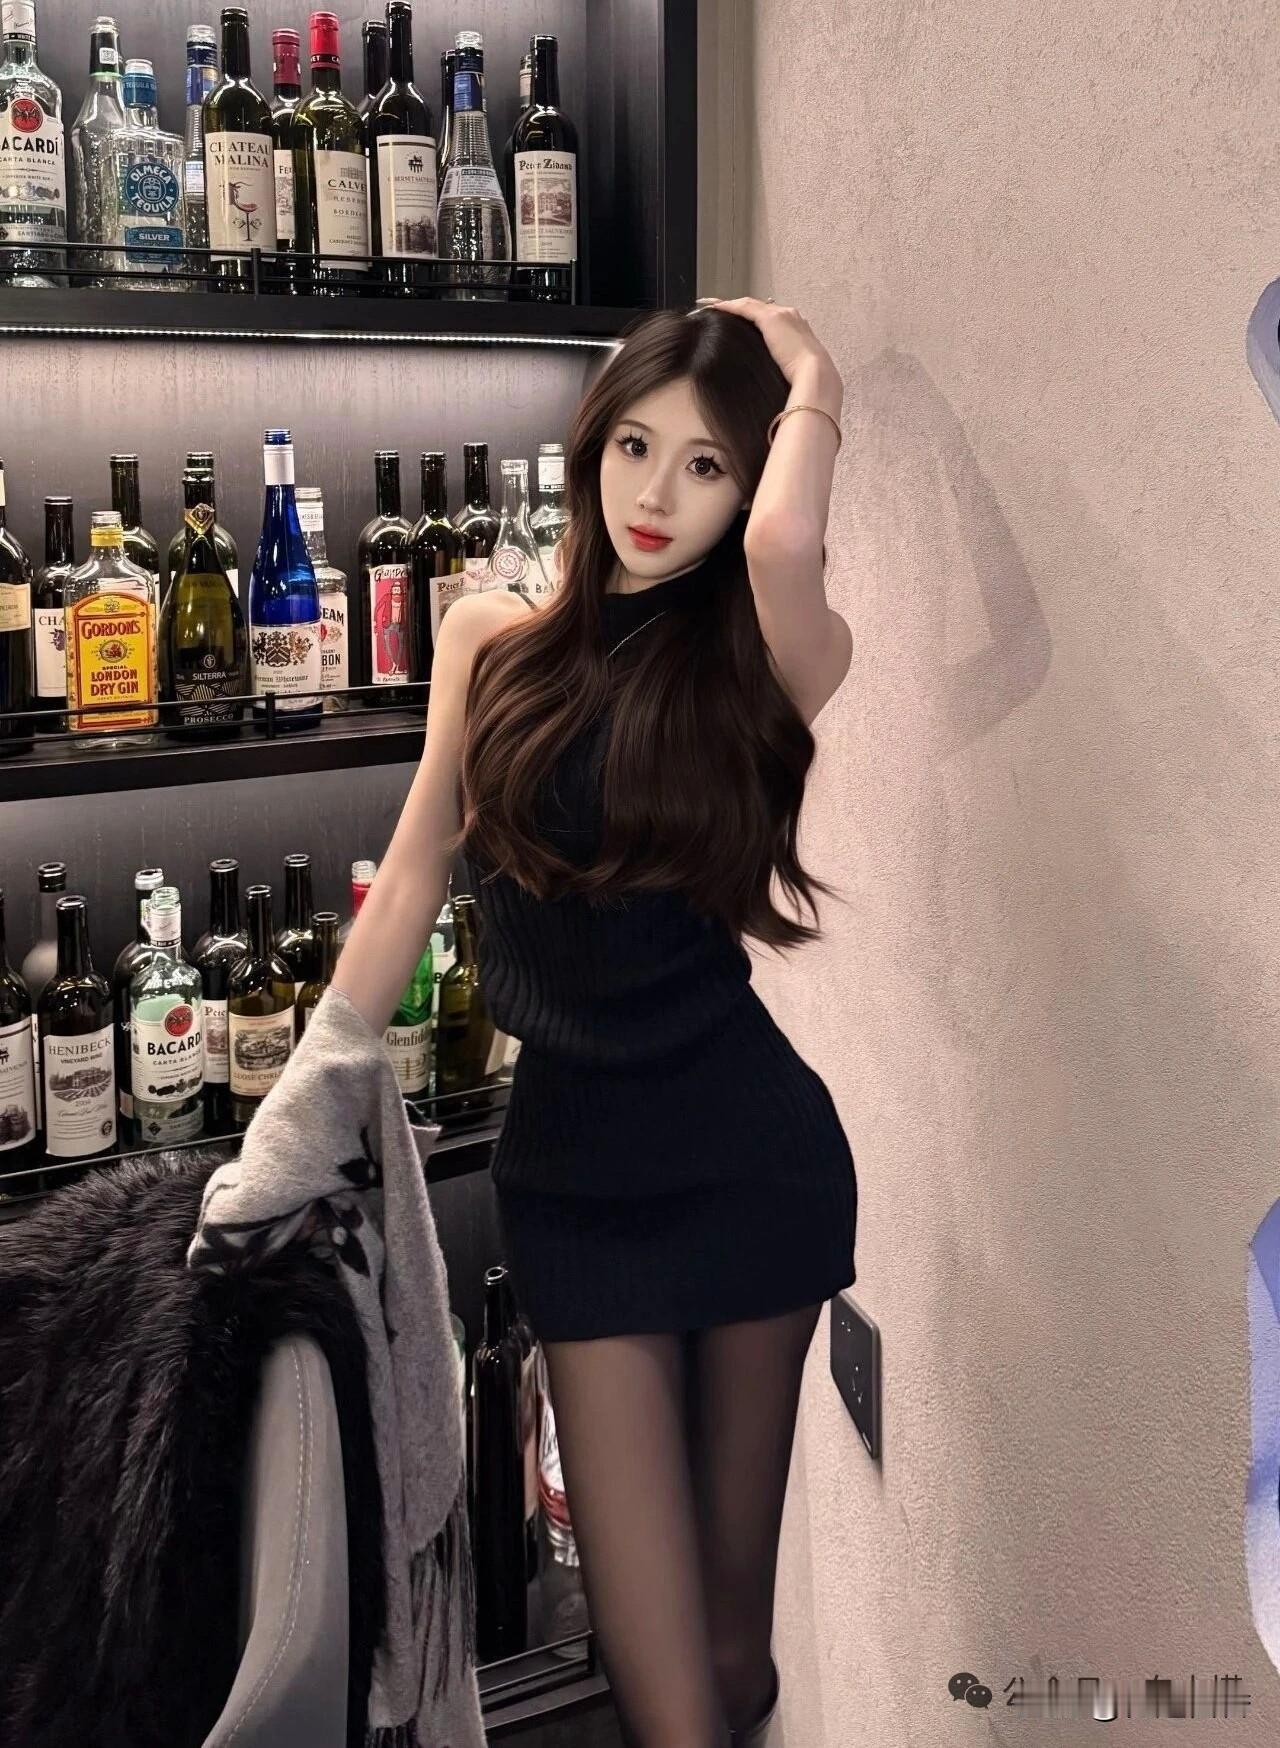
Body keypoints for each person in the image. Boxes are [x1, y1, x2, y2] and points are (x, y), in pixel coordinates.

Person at [329, 295, 857, 1748]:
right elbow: (415, 870)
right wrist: (313, 1096)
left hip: (755, 1169)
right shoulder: (486, 637)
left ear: (746, 486)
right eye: (634, 445)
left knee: (734, 1666)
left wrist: (814, 374)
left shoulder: (766, 663)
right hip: (574, 1185)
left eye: (706, 464)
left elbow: (786, 548)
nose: (655, 493)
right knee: (660, 1686)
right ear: (588, 446)